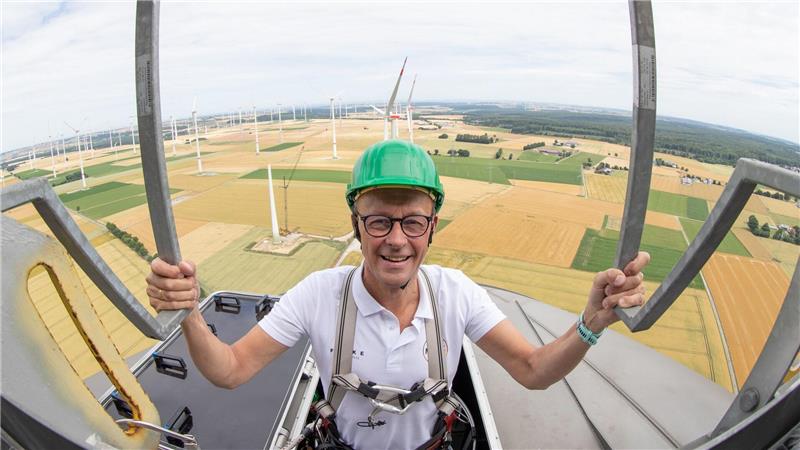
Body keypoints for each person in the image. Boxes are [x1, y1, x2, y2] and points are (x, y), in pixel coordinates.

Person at [146, 140, 649, 449]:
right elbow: (230, 370)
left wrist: (591, 323)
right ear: (356, 226)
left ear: (433, 228)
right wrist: (188, 312)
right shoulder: (319, 294)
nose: (396, 240)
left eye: (412, 222)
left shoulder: (455, 293)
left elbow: (533, 370)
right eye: (379, 221)